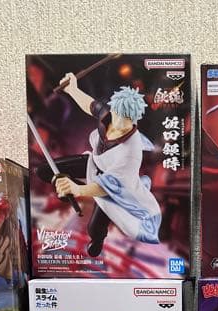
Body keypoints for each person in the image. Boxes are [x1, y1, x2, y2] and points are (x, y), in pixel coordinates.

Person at [53, 75, 162, 256]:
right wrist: (72, 88)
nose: (119, 122)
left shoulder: (132, 150)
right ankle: (71, 188)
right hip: (95, 165)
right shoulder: (107, 115)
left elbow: (110, 186)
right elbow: (90, 105)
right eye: (118, 113)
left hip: (113, 187)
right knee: (47, 170)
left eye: (127, 118)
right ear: (113, 109)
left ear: (134, 119)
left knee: (94, 228)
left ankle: (98, 239)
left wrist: (78, 189)